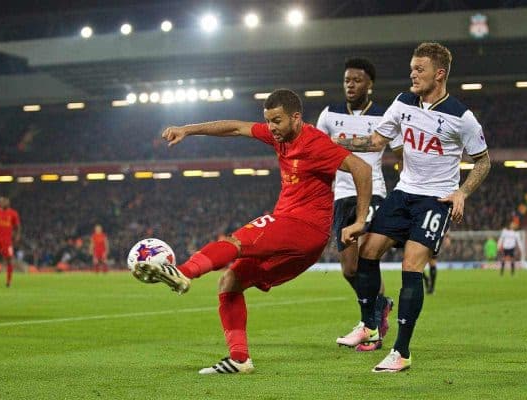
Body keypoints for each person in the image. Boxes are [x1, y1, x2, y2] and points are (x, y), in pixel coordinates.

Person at [134, 89, 372, 374]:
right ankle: (239, 359)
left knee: (237, 241)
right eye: (268, 121)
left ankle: (183, 271)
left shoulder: (315, 143)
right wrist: (188, 129)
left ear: (296, 118)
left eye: (277, 121)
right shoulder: (277, 136)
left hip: (302, 226)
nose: (272, 127)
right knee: (231, 281)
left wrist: (360, 221)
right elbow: (235, 127)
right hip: (304, 247)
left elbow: (361, 168)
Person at [335, 42, 491, 372]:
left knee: (410, 266)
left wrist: (462, 192)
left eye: (419, 69)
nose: (412, 74)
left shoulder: (462, 117)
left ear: (440, 73)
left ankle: (402, 352)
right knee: (367, 251)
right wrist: (333, 145)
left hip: (436, 200)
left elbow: (483, 161)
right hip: (403, 192)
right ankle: (369, 325)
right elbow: (376, 141)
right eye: (411, 68)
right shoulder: (404, 102)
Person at [316, 58, 401, 351]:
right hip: (342, 196)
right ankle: (381, 305)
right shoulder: (329, 115)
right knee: (350, 270)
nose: (350, 85)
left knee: (366, 256)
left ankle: (371, 326)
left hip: (374, 192)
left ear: (369, 84)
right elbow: (318, 154)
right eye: (347, 80)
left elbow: (400, 152)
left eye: (356, 80)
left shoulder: (385, 116)